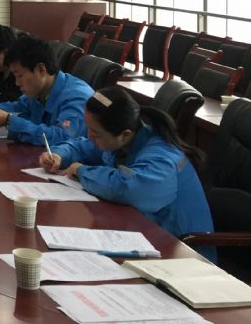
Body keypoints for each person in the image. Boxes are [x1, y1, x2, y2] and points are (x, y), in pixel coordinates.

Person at [40, 87, 213, 240]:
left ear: (125, 135)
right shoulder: (122, 139)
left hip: (180, 249)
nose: (89, 136)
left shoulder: (162, 157)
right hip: (142, 232)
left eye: (95, 133)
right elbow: (82, 146)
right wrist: (59, 155)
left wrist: (81, 171)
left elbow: (129, 188)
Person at [0, 34, 93, 146]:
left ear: (41, 70)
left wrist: (9, 120)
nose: (17, 82)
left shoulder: (77, 97)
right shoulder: (39, 89)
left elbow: (63, 137)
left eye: (20, 75)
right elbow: (17, 106)